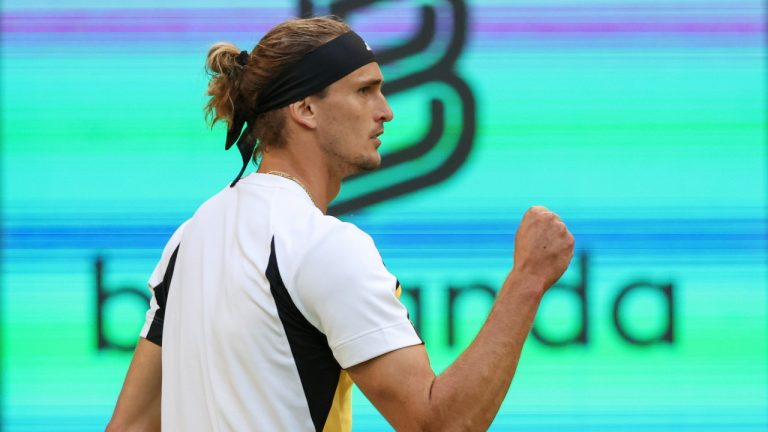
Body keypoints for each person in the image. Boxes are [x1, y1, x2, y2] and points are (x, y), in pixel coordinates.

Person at [106, 16, 574, 432]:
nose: (386, 110)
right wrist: (527, 280)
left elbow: (130, 425)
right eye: (364, 90)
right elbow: (441, 422)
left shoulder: (190, 237)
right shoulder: (323, 246)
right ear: (305, 108)